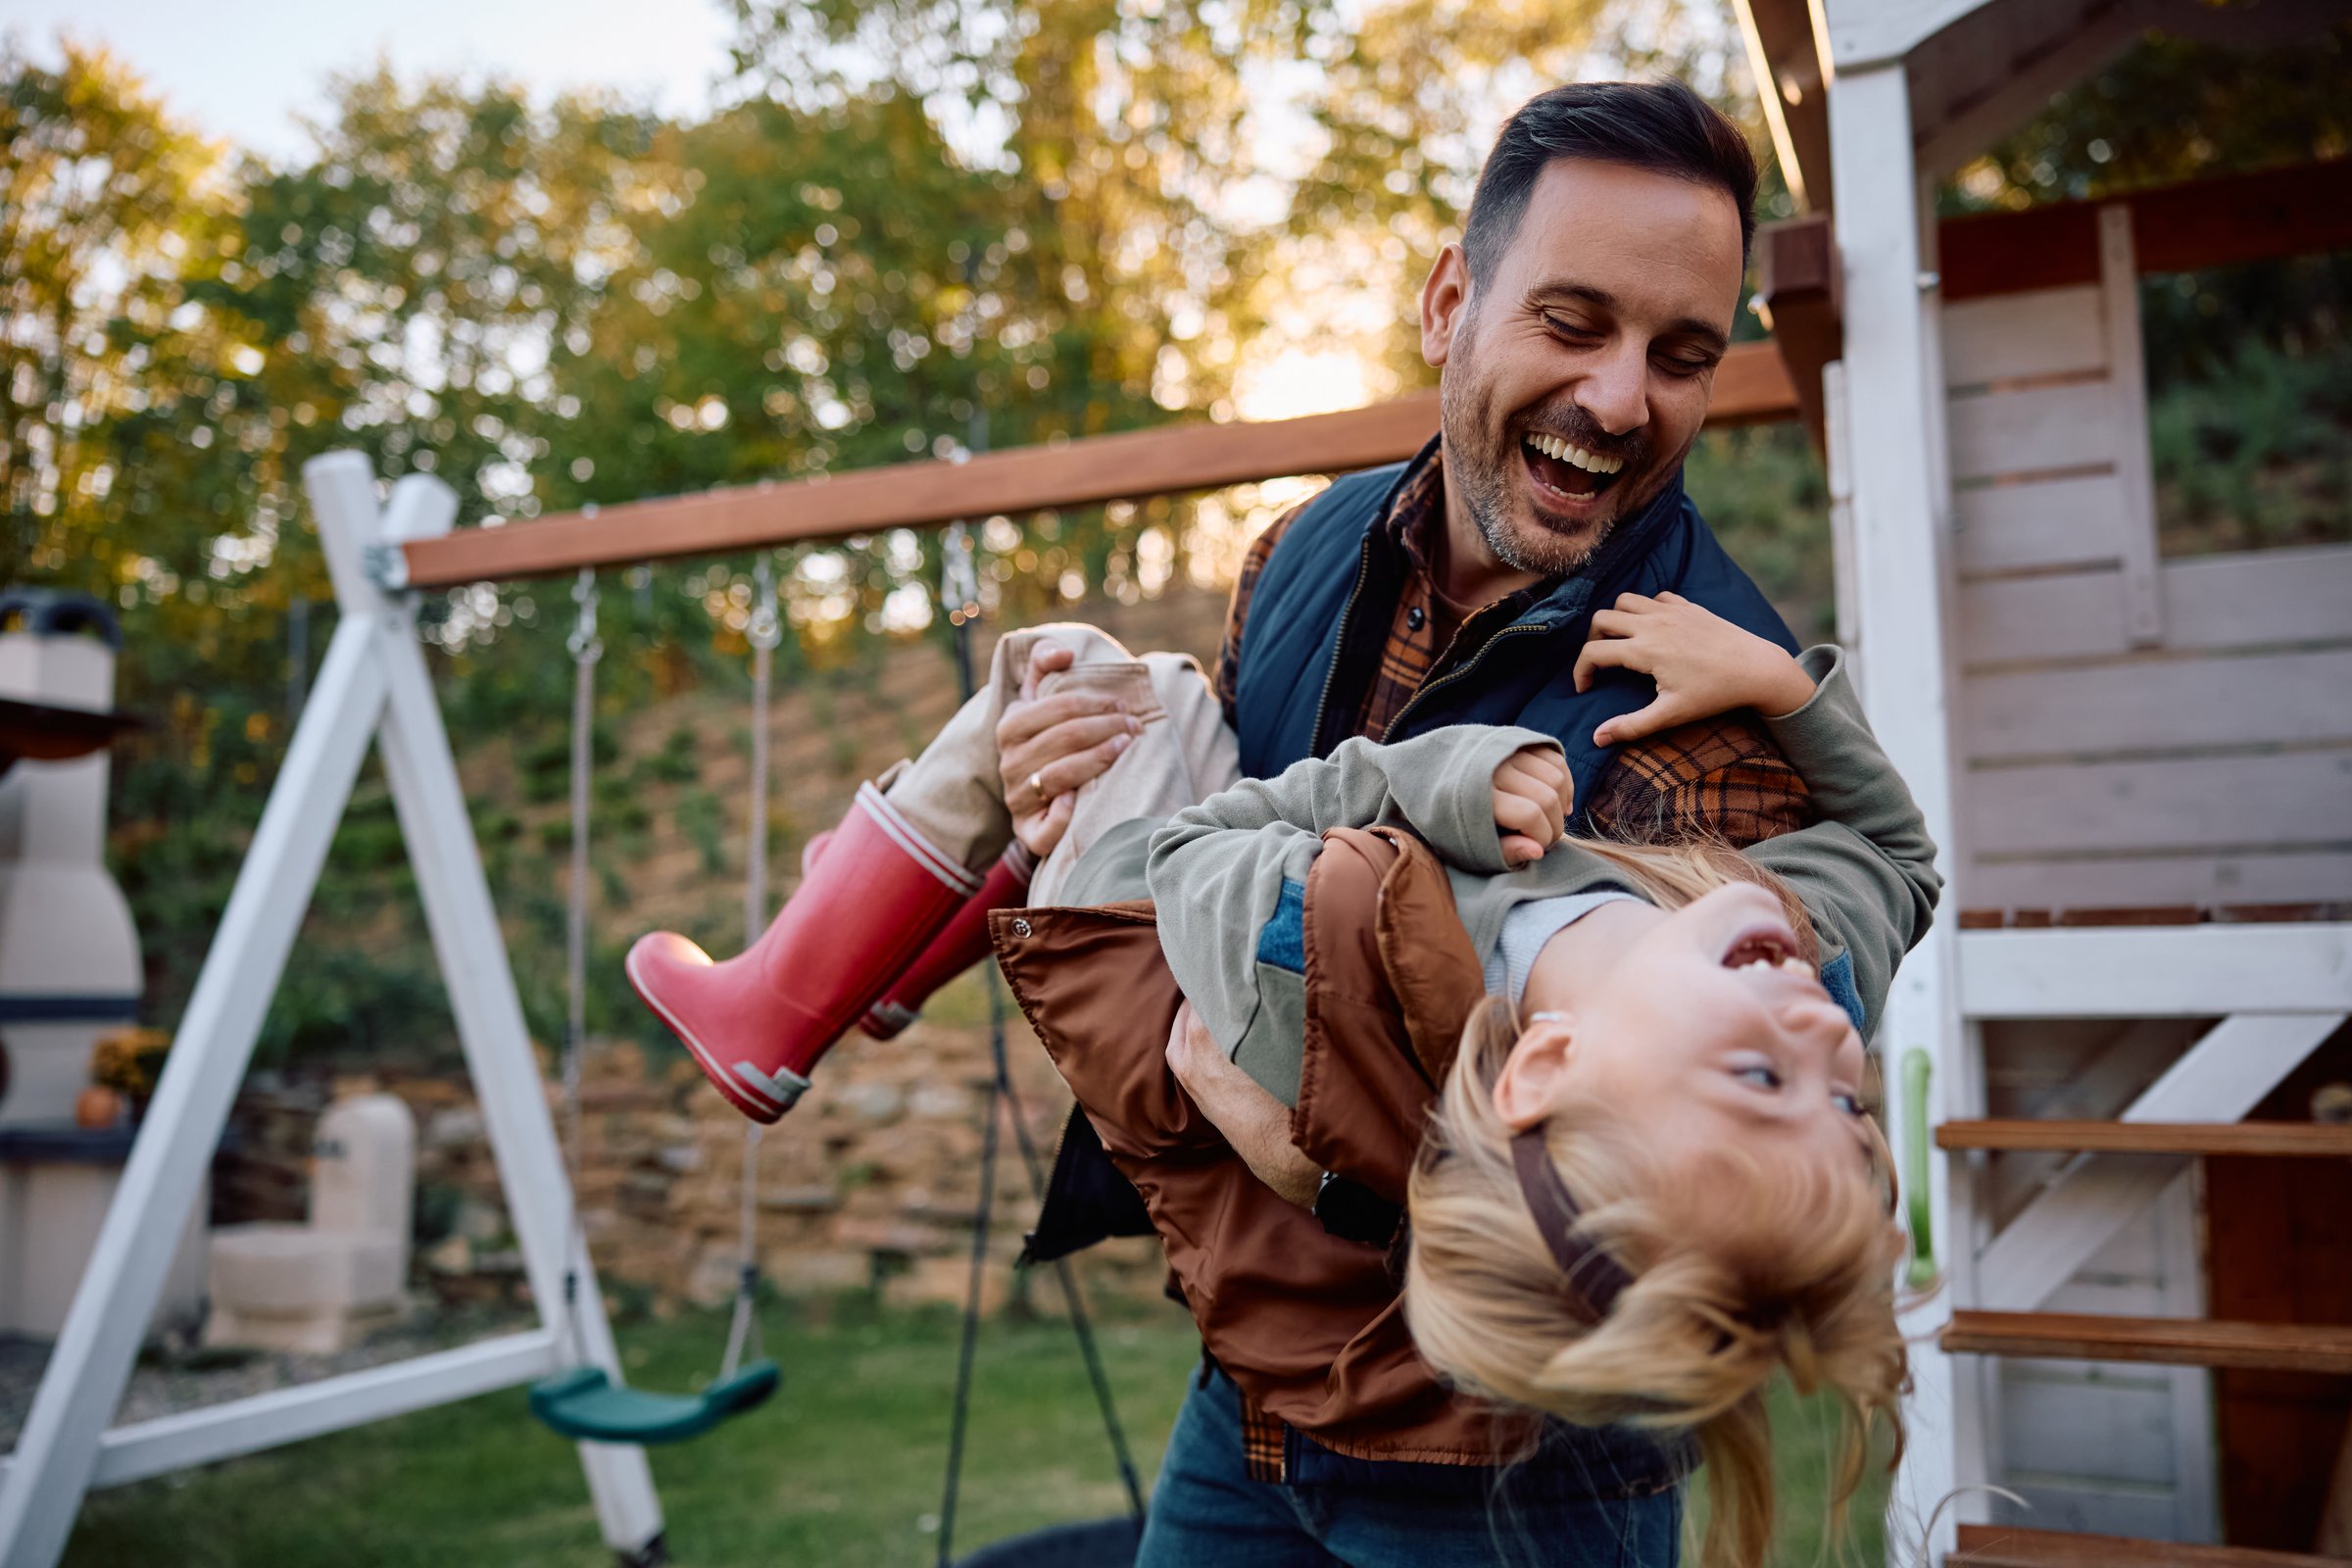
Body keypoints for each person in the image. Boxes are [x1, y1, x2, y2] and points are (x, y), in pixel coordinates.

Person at [628, 585, 1931, 1565]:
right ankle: (894, 963)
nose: (1828, 1042)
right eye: (1853, 1111)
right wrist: (1777, 683)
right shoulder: (1794, 958)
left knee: (1079, 672)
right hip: (1251, 1267)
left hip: (1143, 929)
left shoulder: (1361, 936)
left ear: (1547, 1067)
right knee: (1137, 712)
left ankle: (792, 993)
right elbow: (1901, 860)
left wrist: (1451, 778)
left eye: (1766, 1080)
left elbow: (1201, 856)